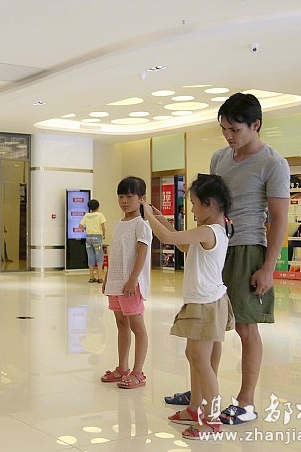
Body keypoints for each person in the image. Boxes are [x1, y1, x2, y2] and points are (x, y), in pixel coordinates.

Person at [164, 93, 290, 425]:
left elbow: (279, 219)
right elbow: (209, 205)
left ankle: (245, 402)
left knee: (245, 326)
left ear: (255, 125)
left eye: (234, 129)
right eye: (224, 128)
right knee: (210, 325)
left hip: (247, 247)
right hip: (214, 246)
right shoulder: (219, 158)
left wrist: (268, 267)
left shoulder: (273, 163)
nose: (228, 136)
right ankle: (202, 394)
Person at [141, 174, 235, 439]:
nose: (191, 210)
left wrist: (147, 214)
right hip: (207, 301)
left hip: (205, 304)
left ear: (210, 204)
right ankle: (195, 408)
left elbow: (168, 238)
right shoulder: (214, 230)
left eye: (193, 204)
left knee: (201, 361)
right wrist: (160, 218)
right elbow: (183, 244)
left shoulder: (209, 230)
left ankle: (212, 419)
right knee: (196, 357)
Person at [100, 176, 152, 389]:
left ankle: (138, 372)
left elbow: (141, 254)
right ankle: (123, 368)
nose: (124, 201)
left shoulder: (142, 225)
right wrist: (107, 277)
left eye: (129, 196)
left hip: (132, 285)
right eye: (121, 196)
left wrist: (132, 279)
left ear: (141, 198)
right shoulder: (118, 224)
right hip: (116, 282)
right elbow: (116, 253)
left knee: (137, 327)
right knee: (121, 324)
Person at [80, 198, 106, 283]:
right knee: (99, 256)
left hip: (88, 238)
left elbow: (80, 226)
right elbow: (103, 227)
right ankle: (100, 277)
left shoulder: (86, 215)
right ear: (98, 206)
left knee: (90, 257)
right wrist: (104, 234)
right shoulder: (100, 215)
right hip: (97, 238)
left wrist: (86, 229)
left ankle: (91, 277)